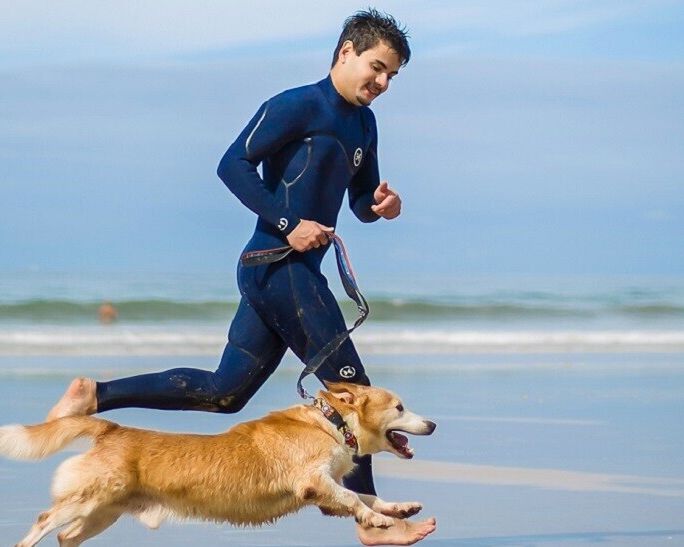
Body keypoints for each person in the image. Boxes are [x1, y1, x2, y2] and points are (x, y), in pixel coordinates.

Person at [47, 10, 434, 545]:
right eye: (377, 68)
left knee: (225, 394)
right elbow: (231, 164)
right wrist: (287, 223)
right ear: (346, 51)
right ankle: (374, 523)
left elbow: (360, 201)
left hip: (292, 274)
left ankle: (95, 395)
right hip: (275, 267)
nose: (383, 83)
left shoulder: (364, 123)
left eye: (392, 76)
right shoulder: (296, 105)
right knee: (355, 389)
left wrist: (379, 205)